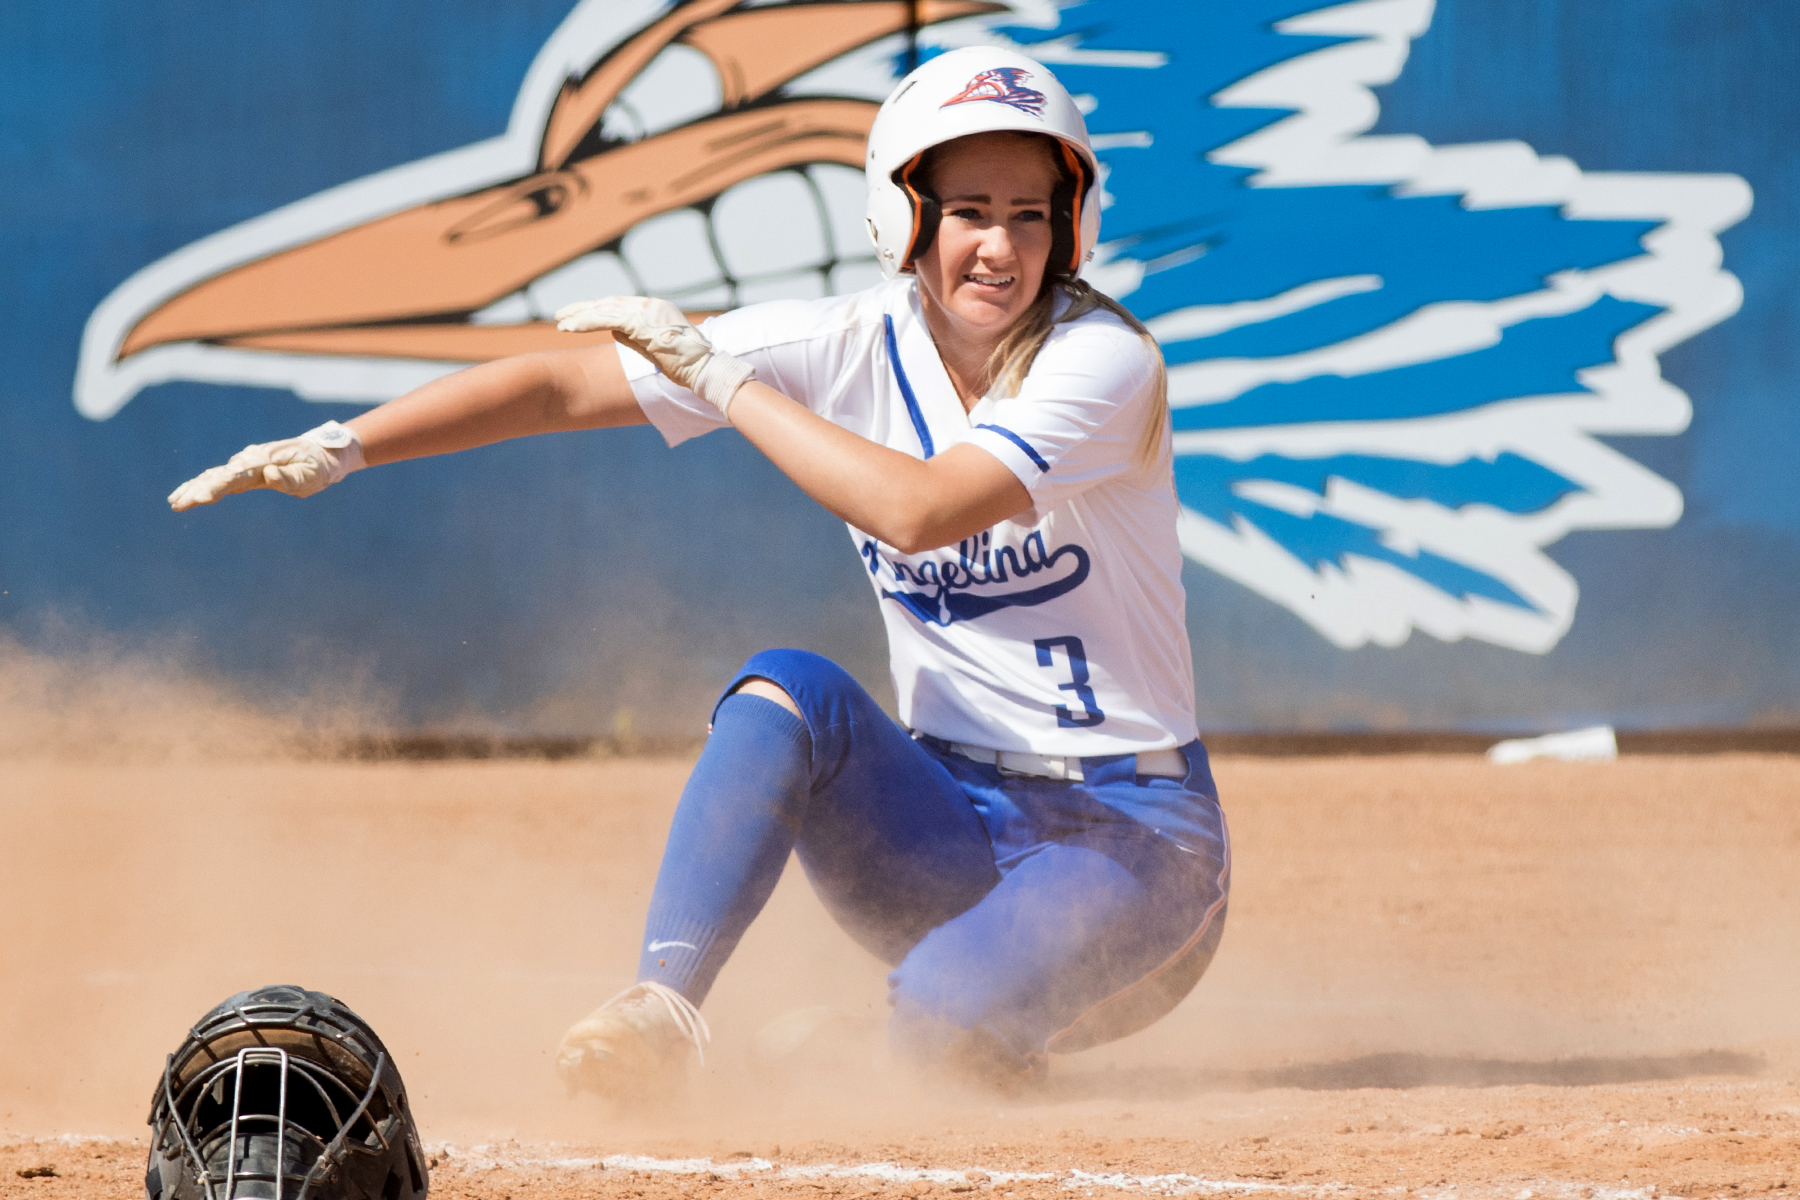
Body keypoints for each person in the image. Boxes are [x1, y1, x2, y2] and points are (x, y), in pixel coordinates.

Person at [167, 47, 1230, 1090]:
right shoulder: (850, 341)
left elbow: (919, 512)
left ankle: (944, 1023)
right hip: (946, 823)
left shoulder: (1103, 362)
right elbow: (557, 389)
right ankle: (662, 1005)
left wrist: (724, 383)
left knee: (936, 1031)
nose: (999, 245)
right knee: (785, 688)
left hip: (1135, 843)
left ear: (1073, 225)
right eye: (968, 210)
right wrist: (348, 444)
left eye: (1030, 212)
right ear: (905, 217)